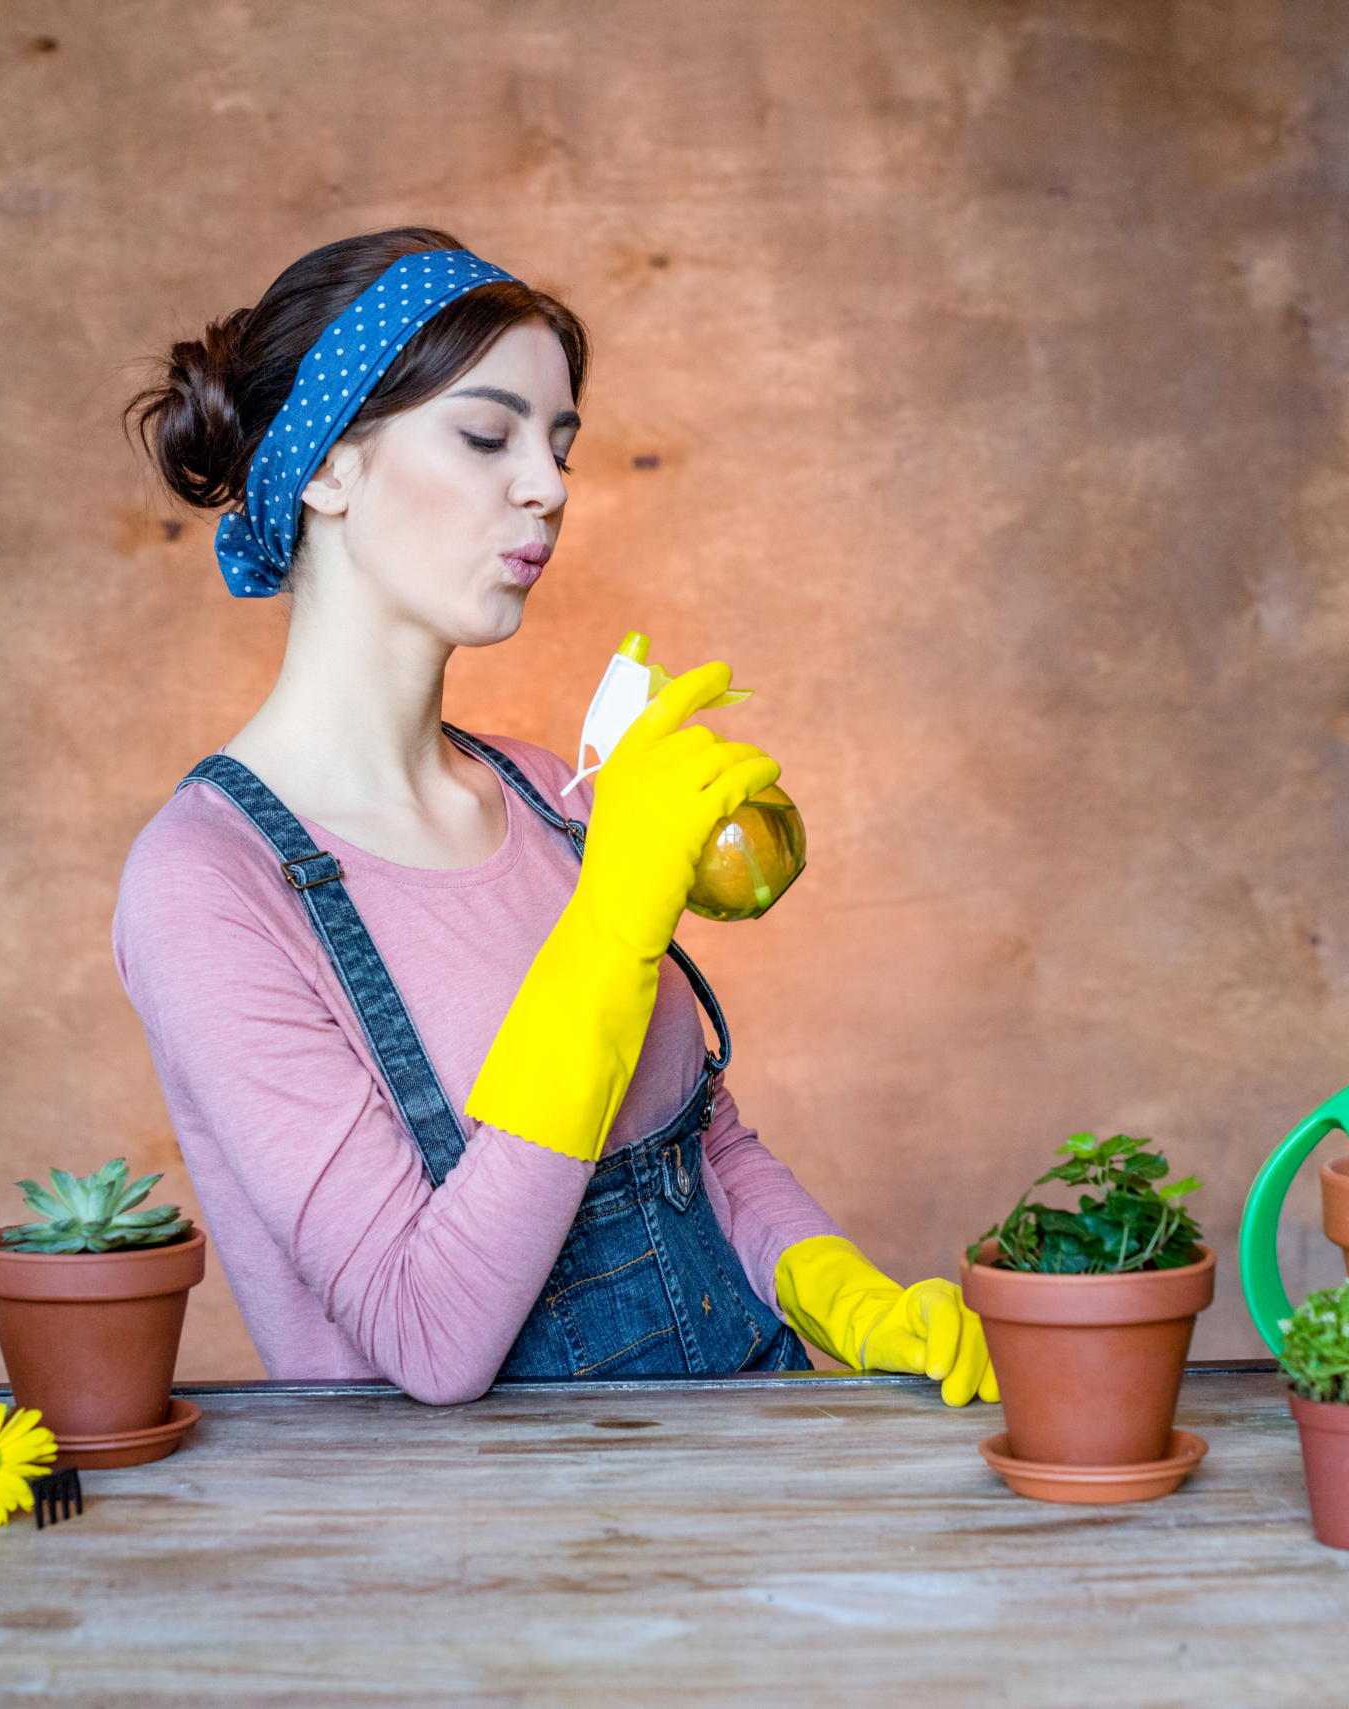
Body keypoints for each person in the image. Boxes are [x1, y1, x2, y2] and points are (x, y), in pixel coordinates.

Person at [115, 228, 992, 1407]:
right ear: (323, 467)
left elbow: (697, 1146)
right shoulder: (207, 884)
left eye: (558, 443)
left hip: (743, 1469)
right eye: (487, 434)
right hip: (490, 1551)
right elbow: (427, 1338)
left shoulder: (549, 795)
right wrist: (612, 920)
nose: (550, 484)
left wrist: (844, 1293)